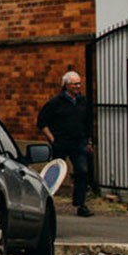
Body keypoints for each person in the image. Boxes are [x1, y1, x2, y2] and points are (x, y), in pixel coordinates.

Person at [38, 69, 94, 216]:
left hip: (79, 142)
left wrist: (89, 141)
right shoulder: (55, 103)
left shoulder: (83, 102)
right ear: (66, 85)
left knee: (82, 172)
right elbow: (41, 122)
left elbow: (88, 123)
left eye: (79, 83)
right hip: (61, 143)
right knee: (55, 174)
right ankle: (47, 202)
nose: (77, 87)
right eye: (74, 84)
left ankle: (80, 204)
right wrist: (52, 139)